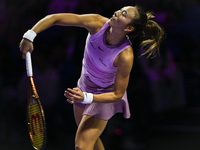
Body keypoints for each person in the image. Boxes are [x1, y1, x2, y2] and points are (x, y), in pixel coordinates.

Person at [19, 5, 164, 150]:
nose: (117, 12)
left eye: (123, 14)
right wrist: (29, 36)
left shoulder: (125, 55)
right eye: (120, 10)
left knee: (82, 146)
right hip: (82, 89)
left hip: (103, 97)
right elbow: (56, 18)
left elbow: (117, 94)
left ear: (129, 28)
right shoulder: (97, 23)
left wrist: (86, 97)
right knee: (92, 143)